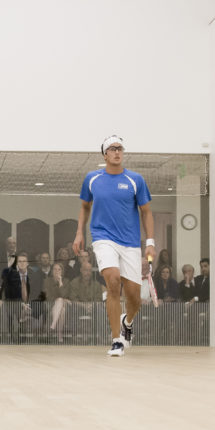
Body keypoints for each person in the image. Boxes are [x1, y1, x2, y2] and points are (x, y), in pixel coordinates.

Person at [73, 135, 154, 357]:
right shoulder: (92, 179)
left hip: (130, 243)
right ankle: (117, 340)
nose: (117, 152)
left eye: (120, 148)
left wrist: (150, 243)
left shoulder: (135, 180)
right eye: (112, 148)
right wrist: (80, 232)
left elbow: (146, 212)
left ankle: (127, 322)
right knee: (113, 281)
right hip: (103, 237)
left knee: (134, 297)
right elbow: (84, 207)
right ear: (105, 154)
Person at [43, 262, 69, 342]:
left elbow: (65, 295)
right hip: (50, 305)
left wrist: (60, 282)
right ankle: (59, 336)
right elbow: (47, 296)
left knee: (62, 305)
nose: (57, 271)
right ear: (52, 271)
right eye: (55, 269)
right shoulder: (47, 281)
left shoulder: (66, 281)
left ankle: (53, 326)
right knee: (61, 305)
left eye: (59, 269)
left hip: (63, 306)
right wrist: (59, 299)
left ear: (62, 271)